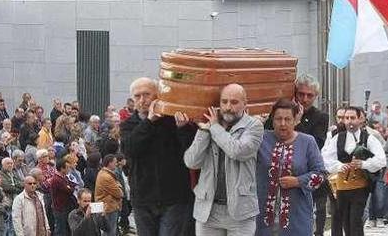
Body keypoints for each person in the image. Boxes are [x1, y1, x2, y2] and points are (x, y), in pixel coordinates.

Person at [184, 83, 264, 235]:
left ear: (245, 104)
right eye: (224, 101)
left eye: (234, 102)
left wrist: (214, 128)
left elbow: (238, 151)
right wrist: (204, 130)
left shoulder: (254, 126)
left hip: (240, 212)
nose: (228, 107)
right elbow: (191, 162)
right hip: (208, 210)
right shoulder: (210, 125)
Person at [120, 77, 196, 235]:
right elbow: (131, 149)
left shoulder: (172, 119)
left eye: (147, 94)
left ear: (158, 95)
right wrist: (149, 122)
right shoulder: (128, 125)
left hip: (174, 198)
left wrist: (183, 129)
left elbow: (192, 152)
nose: (142, 100)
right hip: (143, 198)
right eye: (137, 96)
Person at [262, 74, 330, 236]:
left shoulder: (320, 118)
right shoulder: (278, 114)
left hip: (298, 197)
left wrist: (297, 123)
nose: (304, 99)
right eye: (301, 94)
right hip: (267, 204)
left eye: (309, 95)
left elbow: (317, 147)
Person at [321, 105, 386, 236]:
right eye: (346, 118)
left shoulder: (368, 138)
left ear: (359, 120)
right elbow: (326, 158)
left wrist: (364, 164)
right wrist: (339, 166)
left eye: (352, 118)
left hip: (360, 186)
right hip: (342, 187)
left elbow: (381, 160)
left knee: (356, 220)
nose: (349, 121)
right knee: (345, 220)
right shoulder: (337, 138)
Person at [93, 155, 122, 236]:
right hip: (108, 208)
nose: (116, 164)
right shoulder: (107, 177)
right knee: (110, 232)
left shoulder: (102, 173)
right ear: (109, 163)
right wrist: (119, 186)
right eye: (115, 162)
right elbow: (119, 193)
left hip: (105, 206)